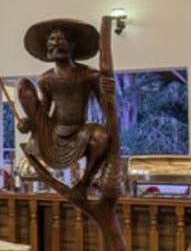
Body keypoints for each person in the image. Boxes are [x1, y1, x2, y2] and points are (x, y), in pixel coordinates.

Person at [17, 19, 121, 200]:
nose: (55, 43)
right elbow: (43, 110)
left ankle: (85, 183)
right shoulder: (45, 79)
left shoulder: (89, 75)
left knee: (101, 136)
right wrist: (27, 124)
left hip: (81, 131)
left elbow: (106, 107)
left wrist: (109, 93)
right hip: (54, 131)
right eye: (51, 39)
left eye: (61, 39)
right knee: (24, 89)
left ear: (72, 45)